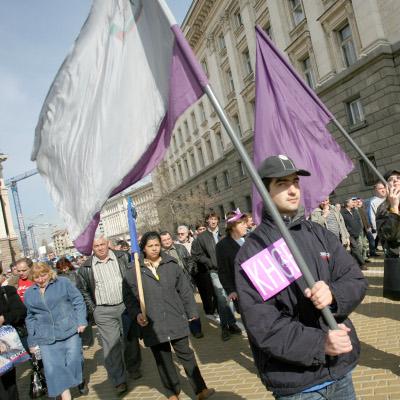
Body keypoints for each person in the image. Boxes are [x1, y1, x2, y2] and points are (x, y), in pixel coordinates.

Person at [235, 155, 368, 399]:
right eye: (282, 183)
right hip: (298, 384)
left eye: (295, 182)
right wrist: (320, 344)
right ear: (264, 190)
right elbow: (263, 325)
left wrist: (334, 294)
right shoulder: (255, 251)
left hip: (341, 372)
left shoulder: (318, 233)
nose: (293, 190)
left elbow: (355, 279)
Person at [123, 232, 215, 400]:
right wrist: (136, 314)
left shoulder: (171, 264)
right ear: (143, 247)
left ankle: (201, 389)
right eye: (150, 246)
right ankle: (173, 393)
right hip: (152, 323)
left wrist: (192, 312)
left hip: (175, 317)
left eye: (157, 245)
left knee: (186, 355)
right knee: (163, 360)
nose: (154, 248)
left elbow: (185, 291)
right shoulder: (134, 270)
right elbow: (129, 298)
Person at [76, 235, 142, 395]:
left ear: (108, 244)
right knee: (111, 346)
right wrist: (94, 309)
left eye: (102, 244)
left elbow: (134, 277)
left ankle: (133, 367)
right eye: (96, 245)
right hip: (103, 312)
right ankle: (118, 380)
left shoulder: (122, 257)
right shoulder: (86, 267)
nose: (100, 248)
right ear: (92, 248)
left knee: (130, 339)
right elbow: (83, 290)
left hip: (125, 307)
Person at [24, 262, 87, 400]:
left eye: (43, 275)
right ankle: (66, 396)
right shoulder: (29, 293)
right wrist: (32, 341)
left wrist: (81, 320)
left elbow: (78, 300)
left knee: (74, 361)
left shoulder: (63, 282)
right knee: (54, 369)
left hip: (68, 329)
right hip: (45, 336)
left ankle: (78, 380)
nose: (40, 279)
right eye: (36, 277)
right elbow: (30, 318)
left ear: (49, 272)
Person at [191, 212, 241, 341]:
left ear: (218, 221)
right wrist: (209, 262)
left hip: (230, 271)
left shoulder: (225, 234)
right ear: (207, 221)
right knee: (222, 298)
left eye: (215, 219)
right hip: (215, 272)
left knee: (231, 296)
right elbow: (196, 254)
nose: (213, 221)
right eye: (210, 219)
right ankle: (225, 326)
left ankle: (232, 323)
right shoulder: (201, 237)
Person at [160, 231, 203, 339]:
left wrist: (191, 272)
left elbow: (190, 261)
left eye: (168, 238)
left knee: (191, 306)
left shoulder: (180, 248)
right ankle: (183, 329)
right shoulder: (159, 253)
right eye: (164, 240)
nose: (167, 241)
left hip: (185, 282)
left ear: (171, 238)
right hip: (170, 286)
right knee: (178, 308)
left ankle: (196, 329)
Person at [0, 264, 27, 400]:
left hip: (4, 348)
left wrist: (4, 318)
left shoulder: (7, 291)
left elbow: (20, 311)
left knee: (8, 388)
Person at [56, 257, 94, 351]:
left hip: (79, 301)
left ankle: (86, 341)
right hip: (67, 304)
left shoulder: (76, 274)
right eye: (61, 268)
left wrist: (89, 304)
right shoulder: (57, 278)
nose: (64, 269)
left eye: (65, 267)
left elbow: (83, 289)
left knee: (84, 321)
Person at [216, 209, 248, 319]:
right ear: (233, 226)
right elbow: (223, 271)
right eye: (242, 224)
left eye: (245, 223)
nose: (246, 226)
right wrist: (231, 290)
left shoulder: (250, 239)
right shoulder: (222, 246)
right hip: (241, 291)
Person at [376, 169, 400, 257]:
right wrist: (394, 207)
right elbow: (388, 236)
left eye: (398, 178)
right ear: (386, 186)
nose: (395, 180)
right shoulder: (383, 208)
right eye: (390, 179)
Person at [341, 198, 367, 270]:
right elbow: (343, 224)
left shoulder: (354, 210)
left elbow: (358, 220)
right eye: (351, 202)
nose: (353, 203)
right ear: (347, 204)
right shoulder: (342, 212)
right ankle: (362, 264)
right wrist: (348, 232)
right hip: (350, 234)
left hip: (357, 232)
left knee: (357, 248)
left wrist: (359, 228)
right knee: (355, 248)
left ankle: (354, 264)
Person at [367, 181, 387, 253]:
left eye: (384, 187)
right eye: (380, 188)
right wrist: (376, 230)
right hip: (384, 231)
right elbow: (372, 217)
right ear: (376, 191)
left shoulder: (390, 197)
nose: (383, 190)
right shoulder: (373, 202)